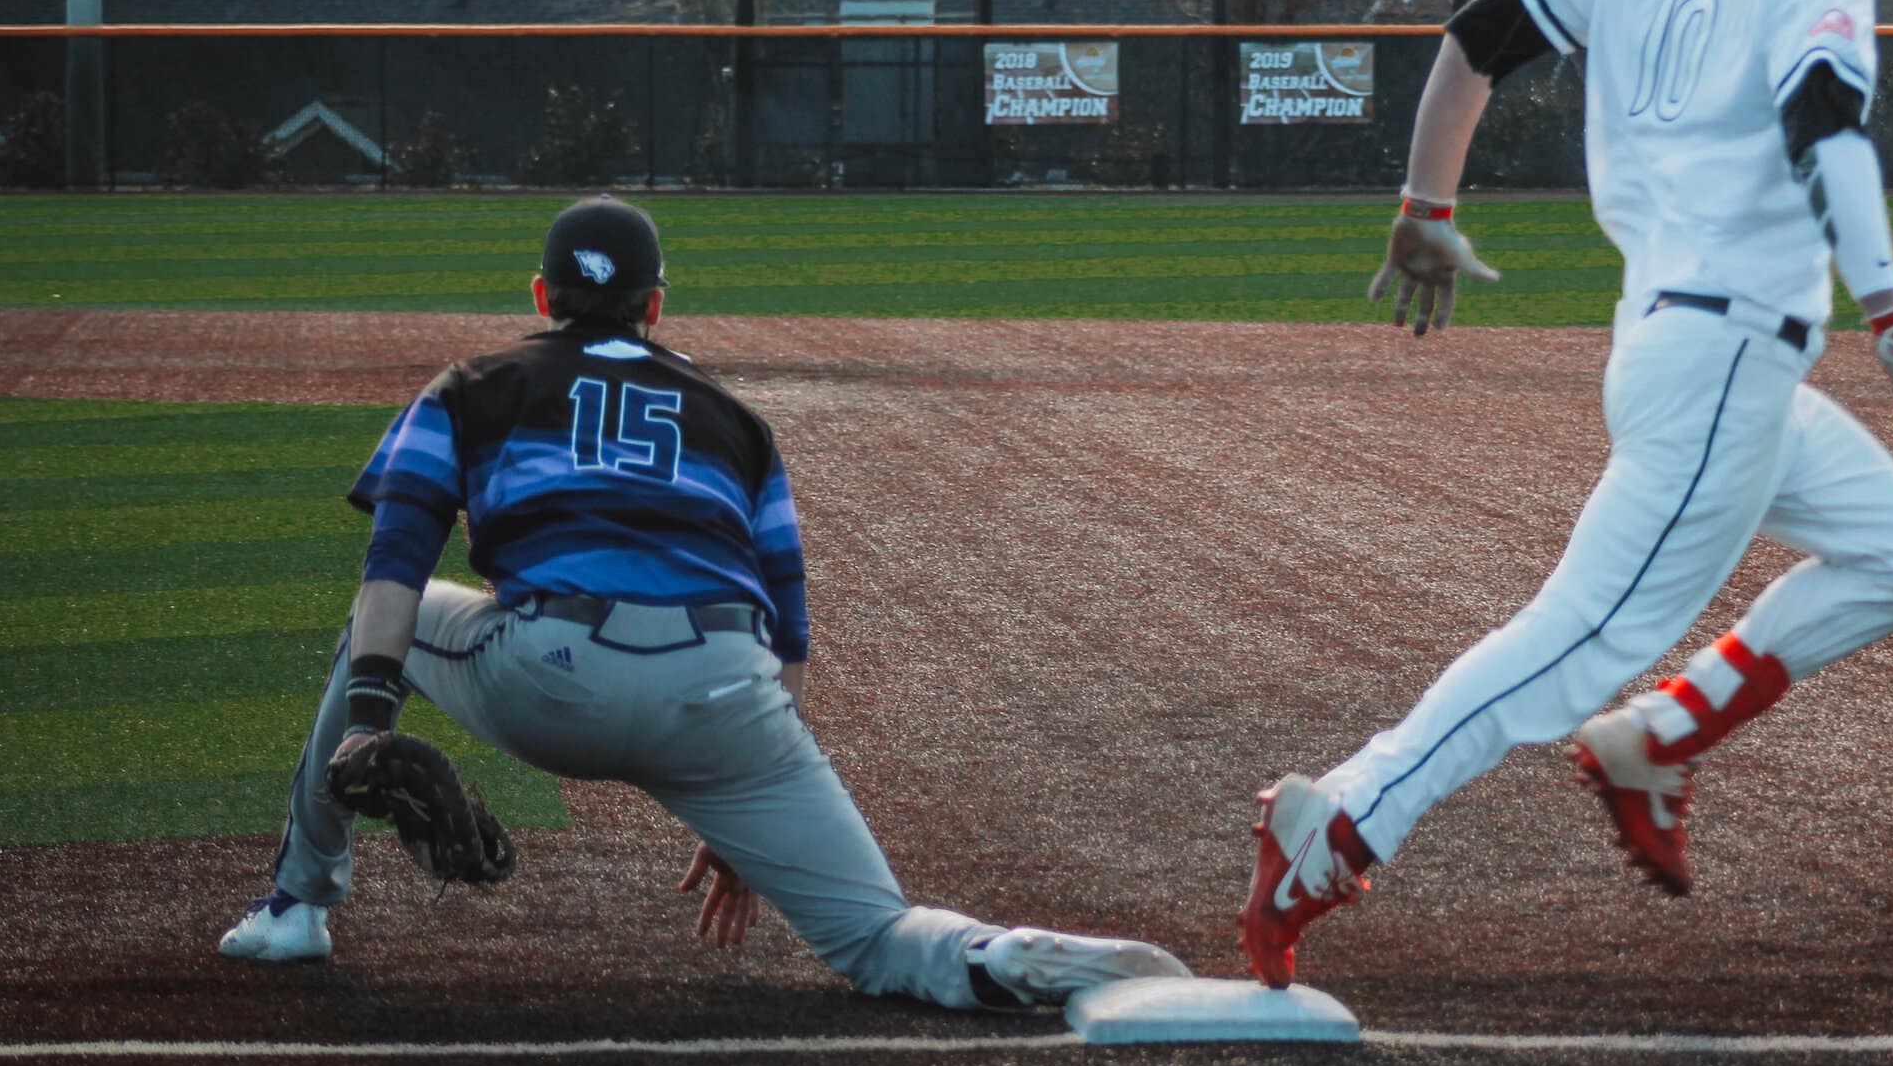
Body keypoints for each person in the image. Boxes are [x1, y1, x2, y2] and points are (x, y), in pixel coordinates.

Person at [1239, 0, 1893, 988]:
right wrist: (1887, 302)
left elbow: (1472, 40)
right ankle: (1342, 819)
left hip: (1686, 352)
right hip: (1725, 359)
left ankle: (1658, 735)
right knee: (1578, 634)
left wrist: (1425, 202)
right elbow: (1826, 128)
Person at [221, 196, 1190, 1011]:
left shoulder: (472, 386)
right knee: (875, 936)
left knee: (367, 634)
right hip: (727, 690)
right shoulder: (738, 422)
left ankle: (297, 906)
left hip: (553, 671)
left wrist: (370, 719)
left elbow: (394, 563)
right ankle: (996, 953)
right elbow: (789, 629)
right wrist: (742, 811)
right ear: (655, 305)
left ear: (538, 297)